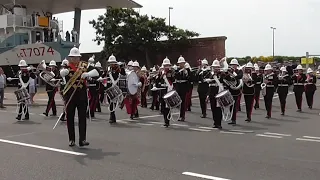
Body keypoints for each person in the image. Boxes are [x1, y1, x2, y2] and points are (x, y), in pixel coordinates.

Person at [60, 46, 99, 147]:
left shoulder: (84, 65)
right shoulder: (67, 67)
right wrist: (64, 72)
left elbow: (96, 73)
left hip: (82, 96)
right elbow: (61, 74)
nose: (75, 59)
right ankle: (71, 139)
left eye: (77, 57)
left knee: (82, 118)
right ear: (70, 57)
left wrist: (87, 74)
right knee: (70, 118)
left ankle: (82, 139)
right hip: (70, 96)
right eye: (73, 57)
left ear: (79, 57)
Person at [224, 58, 243, 125]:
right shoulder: (228, 71)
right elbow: (225, 78)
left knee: (234, 106)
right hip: (230, 90)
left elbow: (240, 76)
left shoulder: (239, 71)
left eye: (234, 65)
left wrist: (233, 75)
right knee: (230, 105)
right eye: (232, 65)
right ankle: (232, 119)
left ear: (236, 65)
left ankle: (234, 120)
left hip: (236, 91)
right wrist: (228, 73)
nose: (233, 66)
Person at [207, 59, 224, 129]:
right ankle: (215, 122)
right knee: (213, 107)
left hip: (219, 91)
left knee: (219, 108)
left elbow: (222, 81)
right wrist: (208, 95)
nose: (215, 68)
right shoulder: (210, 74)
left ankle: (219, 123)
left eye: (217, 67)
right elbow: (208, 83)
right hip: (212, 91)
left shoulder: (222, 74)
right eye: (214, 67)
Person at [160, 57, 175, 127]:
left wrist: (167, 75)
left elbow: (172, 80)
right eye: (165, 65)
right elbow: (158, 81)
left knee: (167, 106)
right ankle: (165, 120)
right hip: (162, 90)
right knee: (163, 106)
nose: (166, 67)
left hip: (168, 90)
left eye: (167, 65)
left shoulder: (171, 72)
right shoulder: (161, 72)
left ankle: (167, 121)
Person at [175, 56, 190, 121]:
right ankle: (180, 114)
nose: (181, 64)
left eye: (182, 63)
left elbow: (189, 78)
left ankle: (182, 116)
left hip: (184, 87)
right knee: (178, 102)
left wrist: (186, 73)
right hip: (178, 86)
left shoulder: (187, 70)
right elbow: (175, 76)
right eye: (180, 63)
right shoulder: (177, 70)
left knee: (182, 102)